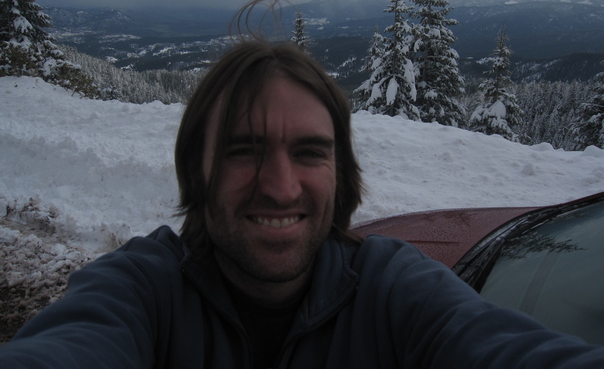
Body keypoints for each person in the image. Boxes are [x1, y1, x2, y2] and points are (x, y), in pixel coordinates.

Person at [1, 40, 604, 369]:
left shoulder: (394, 290)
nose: (282, 187)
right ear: (196, 171)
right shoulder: (141, 292)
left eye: (311, 152)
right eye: (243, 150)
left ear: (340, 174)